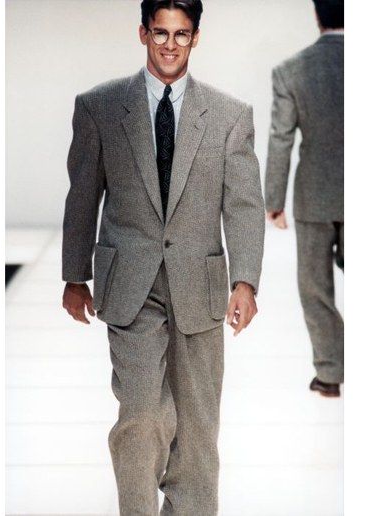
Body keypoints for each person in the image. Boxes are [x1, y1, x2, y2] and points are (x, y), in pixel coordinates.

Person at [62, 0, 265, 513]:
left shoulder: (229, 115)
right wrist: (74, 275)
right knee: (141, 415)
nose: (170, 44)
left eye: (180, 34)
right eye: (160, 32)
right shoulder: (101, 106)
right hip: (130, 283)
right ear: (143, 33)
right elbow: (83, 194)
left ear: (195, 37)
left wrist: (245, 281)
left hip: (200, 283)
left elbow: (243, 204)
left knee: (197, 427)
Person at [265, 0, 344, 397]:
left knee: (315, 288)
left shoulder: (291, 70)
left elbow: (281, 138)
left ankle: (330, 373)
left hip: (314, 195)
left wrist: (273, 199)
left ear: (317, 15)